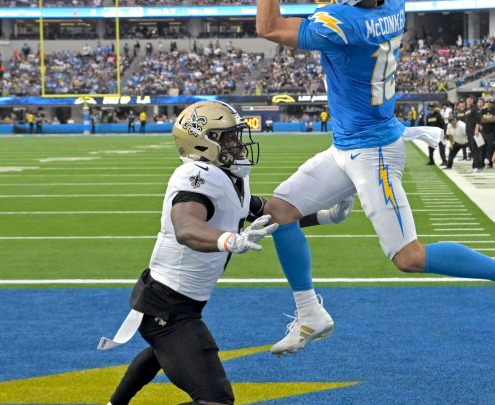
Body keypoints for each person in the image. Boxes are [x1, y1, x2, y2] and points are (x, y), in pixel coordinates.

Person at [254, 0, 495, 356]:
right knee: (279, 212)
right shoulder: (392, 0)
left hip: (372, 150)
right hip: (351, 144)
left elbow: (268, 26)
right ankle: (310, 314)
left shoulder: (344, 23)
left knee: (408, 256)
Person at [100, 101, 355, 405]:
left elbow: (272, 215)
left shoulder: (228, 176)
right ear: (202, 142)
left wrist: (326, 216)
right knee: (215, 399)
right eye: (228, 137)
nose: (238, 143)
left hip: (173, 302)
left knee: (162, 351)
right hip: (168, 307)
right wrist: (229, 240)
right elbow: (186, 226)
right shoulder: (197, 175)